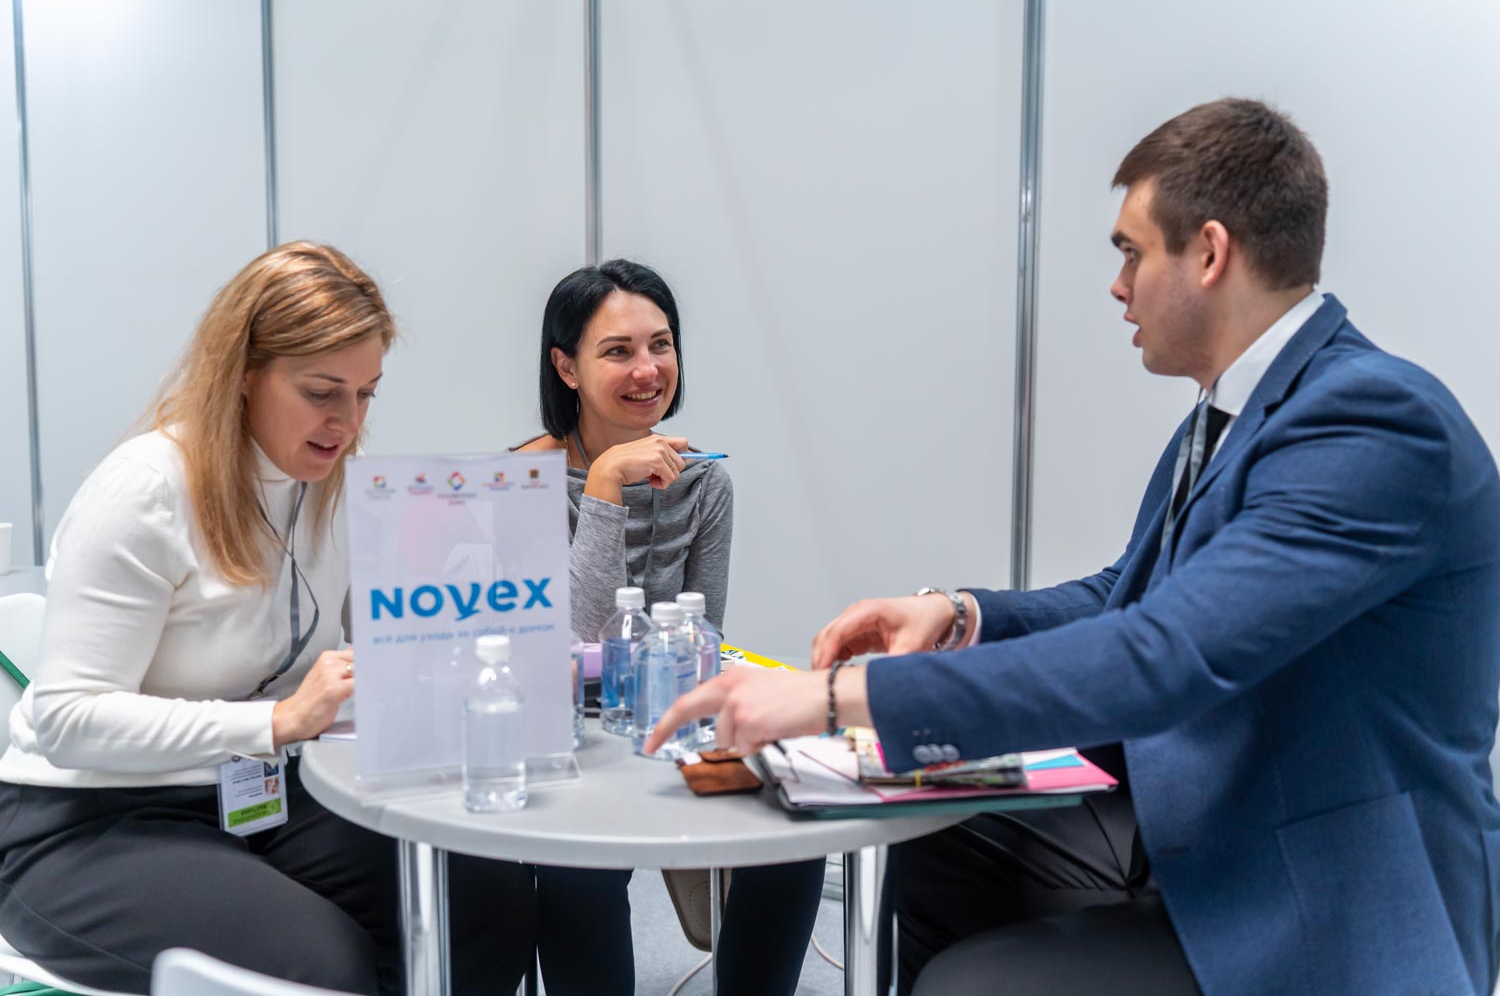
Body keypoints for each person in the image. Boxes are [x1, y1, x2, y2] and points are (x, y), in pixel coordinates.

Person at [650, 98, 1500, 996]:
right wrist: (961, 614)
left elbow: (1162, 654)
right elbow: (1130, 596)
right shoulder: (1235, 411)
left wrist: (834, 699)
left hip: (1319, 892)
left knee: (971, 987)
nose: (1117, 285)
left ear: (1210, 254)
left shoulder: (1370, 422)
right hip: (1198, 822)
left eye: (1132, 252)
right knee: (941, 846)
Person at [0, 242, 536, 995]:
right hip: (89, 821)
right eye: (322, 392)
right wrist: (278, 720)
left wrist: (495, 637)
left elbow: (384, 638)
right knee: (320, 967)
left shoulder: (326, 484)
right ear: (244, 373)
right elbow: (66, 719)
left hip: (254, 796)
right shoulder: (145, 490)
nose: (346, 422)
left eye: (366, 394)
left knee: (485, 902)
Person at [515, 258, 824, 996]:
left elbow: (703, 630)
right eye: (617, 351)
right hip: (563, 734)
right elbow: (580, 640)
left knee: (795, 833)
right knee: (580, 872)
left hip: (669, 713)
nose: (648, 370)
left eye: (661, 345)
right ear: (566, 366)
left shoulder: (704, 481)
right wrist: (604, 485)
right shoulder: (518, 484)